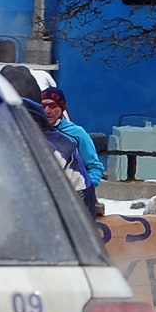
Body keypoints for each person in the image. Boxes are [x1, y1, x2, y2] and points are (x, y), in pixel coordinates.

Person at [40, 87, 106, 218]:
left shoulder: (77, 134)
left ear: (62, 108)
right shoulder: (34, 131)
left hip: (75, 200)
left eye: (52, 106)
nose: (47, 111)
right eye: (44, 106)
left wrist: (86, 188)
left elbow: (95, 167)